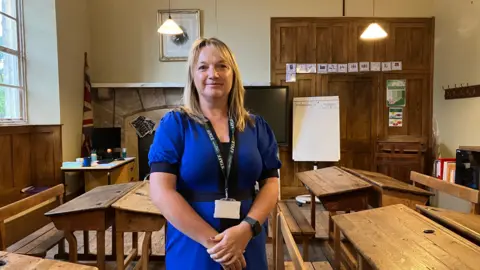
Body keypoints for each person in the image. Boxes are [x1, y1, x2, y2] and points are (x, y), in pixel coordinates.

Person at [148, 37, 282, 270]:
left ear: (233, 74)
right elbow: (161, 192)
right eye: (203, 67)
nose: (213, 73)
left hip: (247, 243)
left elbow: (272, 184)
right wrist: (218, 245)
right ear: (193, 76)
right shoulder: (175, 125)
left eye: (222, 65)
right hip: (194, 247)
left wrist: (245, 230)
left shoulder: (256, 126)